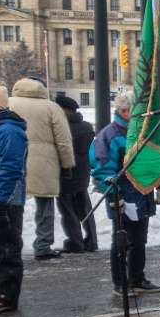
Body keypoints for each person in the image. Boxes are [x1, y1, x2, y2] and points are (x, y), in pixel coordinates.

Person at [90, 91, 160, 297]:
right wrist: (114, 196)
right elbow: (104, 169)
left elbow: (152, 162)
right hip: (123, 196)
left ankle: (137, 278)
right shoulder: (110, 135)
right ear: (123, 111)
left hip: (142, 194)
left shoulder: (142, 132)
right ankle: (120, 282)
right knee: (121, 241)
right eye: (137, 111)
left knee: (140, 240)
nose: (143, 115)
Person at [8, 77, 72, 261]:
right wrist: (67, 165)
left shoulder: (9, 103)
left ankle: (10, 244)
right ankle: (42, 245)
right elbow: (63, 141)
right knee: (45, 206)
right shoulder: (51, 107)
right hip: (45, 162)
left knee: (10, 206)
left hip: (15, 159)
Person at [53, 94, 98, 253]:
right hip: (83, 173)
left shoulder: (63, 128)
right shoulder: (86, 127)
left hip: (66, 173)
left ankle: (75, 242)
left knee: (67, 210)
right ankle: (92, 240)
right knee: (85, 207)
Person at [0, 85, 27, 314]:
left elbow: (10, 169)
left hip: (7, 200)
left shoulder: (9, 130)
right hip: (4, 197)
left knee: (7, 248)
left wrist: (1, 202)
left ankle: (7, 296)